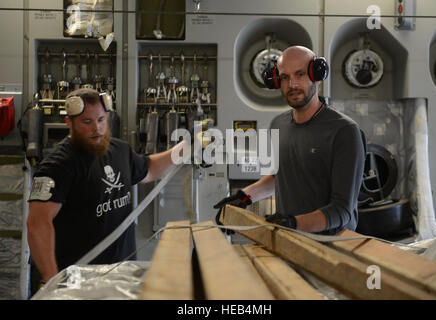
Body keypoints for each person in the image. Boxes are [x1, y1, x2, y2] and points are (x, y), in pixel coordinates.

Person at [27, 88, 190, 291]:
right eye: (87, 122)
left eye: (101, 120)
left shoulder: (119, 150)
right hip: (79, 286)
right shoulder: (58, 165)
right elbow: (38, 224)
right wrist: (52, 281)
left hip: (121, 279)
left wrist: (183, 149)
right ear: (69, 123)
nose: (97, 128)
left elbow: (148, 170)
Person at [214, 46, 366, 235]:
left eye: (300, 75)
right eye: (285, 77)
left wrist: (293, 223)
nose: (292, 84)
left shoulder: (344, 131)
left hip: (332, 250)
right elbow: (282, 176)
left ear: (316, 75)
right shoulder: (279, 124)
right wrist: (243, 198)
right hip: (290, 242)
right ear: (276, 80)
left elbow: (342, 211)